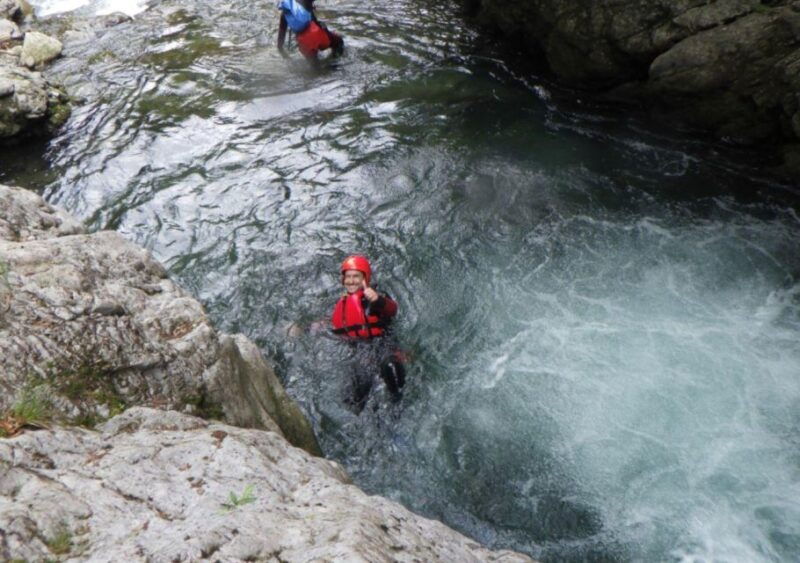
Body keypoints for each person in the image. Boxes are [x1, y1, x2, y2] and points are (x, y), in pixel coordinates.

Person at [331, 255, 405, 412]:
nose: (351, 281)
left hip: (385, 344)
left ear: (365, 278)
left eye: (356, 276)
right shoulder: (341, 304)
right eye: (348, 277)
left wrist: (376, 300)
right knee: (355, 396)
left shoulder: (376, 296)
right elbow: (330, 325)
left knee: (391, 367)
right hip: (363, 351)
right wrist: (305, 327)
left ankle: (398, 410)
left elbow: (392, 309)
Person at [277, 0, 344, 64]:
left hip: (305, 44)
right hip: (318, 34)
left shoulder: (284, 15)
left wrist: (286, 57)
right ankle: (334, 66)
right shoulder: (305, 1)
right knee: (339, 42)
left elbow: (280, 44)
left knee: (315, 70)